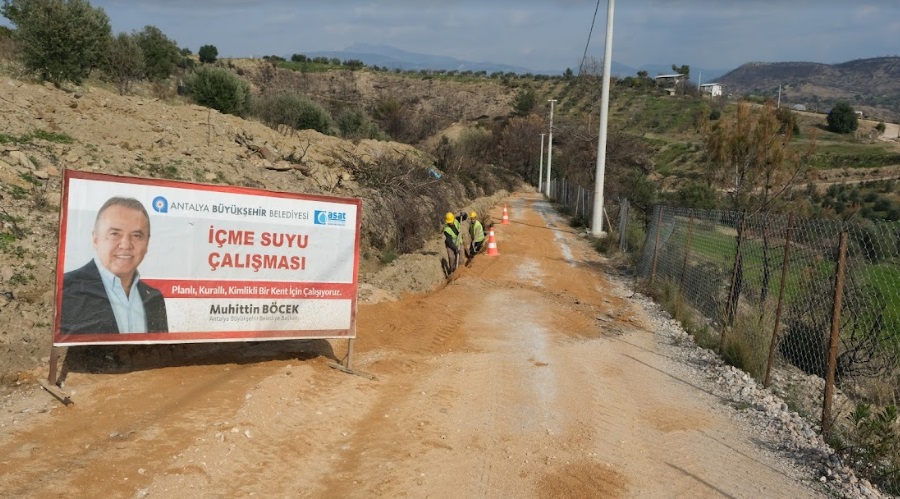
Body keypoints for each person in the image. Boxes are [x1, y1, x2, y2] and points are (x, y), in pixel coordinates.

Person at [60, 197, 168, 334]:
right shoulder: (67, 289)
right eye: (114, 234)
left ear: (147, 243)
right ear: (95, 239)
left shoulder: (154, 298)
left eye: (136, 235)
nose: (126, 245)